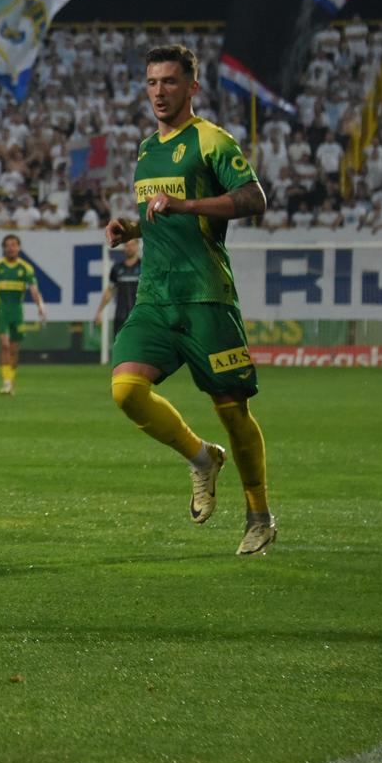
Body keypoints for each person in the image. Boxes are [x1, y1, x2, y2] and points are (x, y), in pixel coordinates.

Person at [104, 44, 275, 555]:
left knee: (232, 410)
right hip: (156, 297)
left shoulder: (211, 140)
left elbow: (254, 198)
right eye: (152, 83)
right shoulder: (144, 148)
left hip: (205, 297)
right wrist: (132, 225)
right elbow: (165, 215)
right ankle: (202, 458)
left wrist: (187, 203)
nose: (159, 92)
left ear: (192, 86)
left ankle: (260, 515)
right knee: (126, 391)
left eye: (170, 82)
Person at [0, 233, 46, 395]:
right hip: (1, 311)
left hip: (17, 312)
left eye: (14, 245)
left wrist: (40, 306)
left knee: (14, 349)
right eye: (8, 245)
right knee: (4, 345)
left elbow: (34, 290)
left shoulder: (26, 268)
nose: (11, 248)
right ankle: (6, 381)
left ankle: (11, 379)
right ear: (4, 248)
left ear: (19, 248)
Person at [94, 239, 142, 338]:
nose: (130, 248)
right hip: (121, 315)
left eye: (132, 245)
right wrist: (100, 311)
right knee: (120, 347)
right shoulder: (117, 268)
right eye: (127, 245)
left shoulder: (144, 267)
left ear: (137, 246)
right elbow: (110, 290)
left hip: (140, 315)